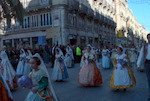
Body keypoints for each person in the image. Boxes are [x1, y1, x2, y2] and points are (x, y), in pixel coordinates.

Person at [137, 33, 150, 100]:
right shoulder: (145, 46)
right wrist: (138, 64)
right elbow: (141, 55)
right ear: (147, 39)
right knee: (149, 79)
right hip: (147, 63)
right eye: (149, 38)